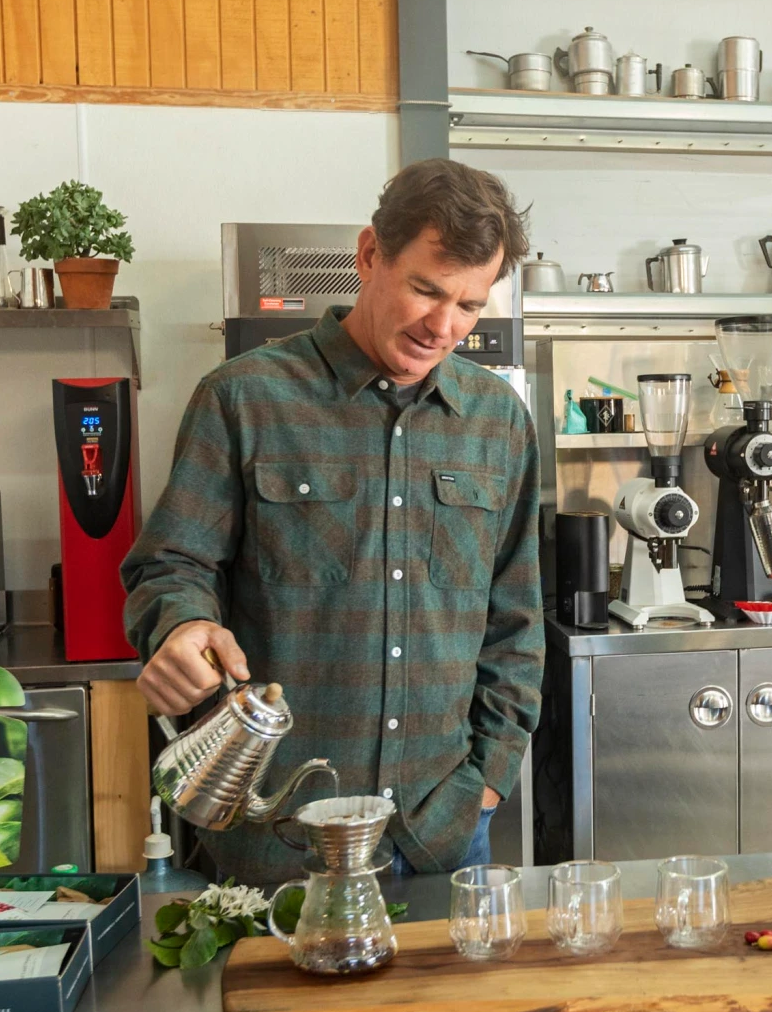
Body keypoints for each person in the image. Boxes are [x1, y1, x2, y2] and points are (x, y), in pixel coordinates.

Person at [122, 158, 542, 885]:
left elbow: (516, 618)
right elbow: (172, 565)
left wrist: (489, 778)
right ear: (370, 254)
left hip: (440, 831)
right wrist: (182, 626)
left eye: (470, 305)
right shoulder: (244, 398)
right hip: (280, 836)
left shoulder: (497, 420)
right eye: (426, 290)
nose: (444, 327)